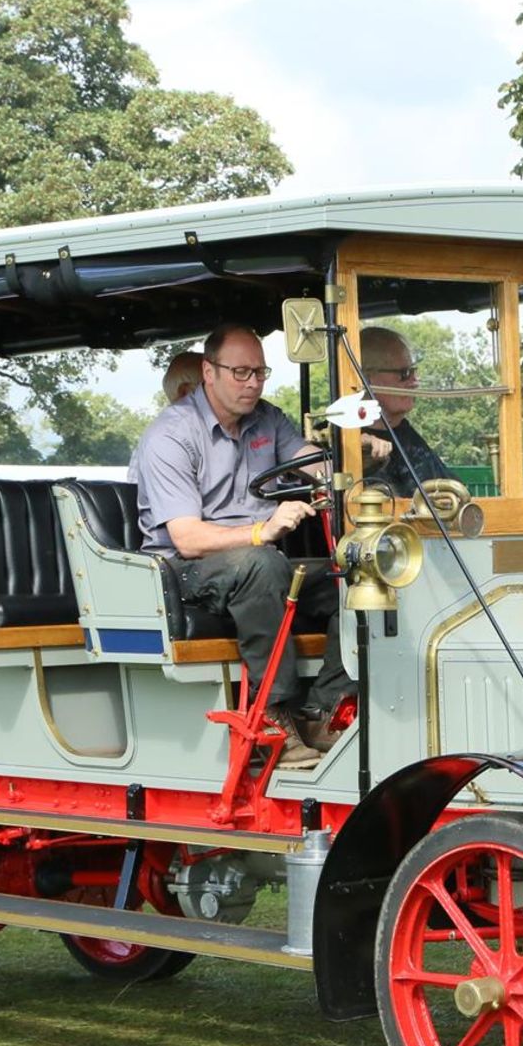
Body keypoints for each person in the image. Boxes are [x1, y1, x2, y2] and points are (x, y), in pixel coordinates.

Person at [132, 323, 382, 766]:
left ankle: (323, 709)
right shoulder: (170, 435)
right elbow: (187, 538)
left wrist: (353, 452)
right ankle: (270, 714)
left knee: (360, 567)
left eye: (260, 373)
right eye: (241, 372)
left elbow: (311, 461)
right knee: (263, 563)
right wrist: (261, 531)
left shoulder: (267, 418)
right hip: (181, 571)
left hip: (258, 562)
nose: (252, 384)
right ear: (209, 372)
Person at [359, 326, 454, 498]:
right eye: (404, 373)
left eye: (413, 371)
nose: (414, 382)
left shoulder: (409, 437)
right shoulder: (339, 440)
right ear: (367, 379)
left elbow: (456, 495)